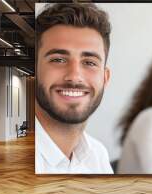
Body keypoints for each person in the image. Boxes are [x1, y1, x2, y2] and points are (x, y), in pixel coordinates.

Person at [35, 3, 113, 174]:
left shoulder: (97, 155)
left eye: (89, 63)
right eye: (58, 60)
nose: (74, 76)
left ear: (105, 78)